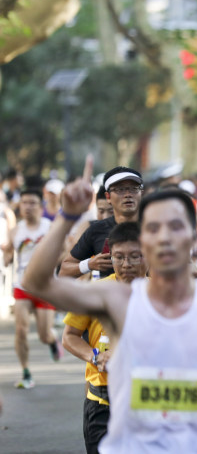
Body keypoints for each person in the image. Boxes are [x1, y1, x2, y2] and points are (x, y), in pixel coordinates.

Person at [22, 161, 197, 453]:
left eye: (175, 226)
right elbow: (36, 282)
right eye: (153, 228)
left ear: (193, 237)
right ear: (144, 241)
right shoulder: (116, 299)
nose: (164, 236)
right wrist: (67, 216)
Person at [62, 222, 147, 453]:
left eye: (135, 256)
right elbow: (69, 337)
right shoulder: (94, 292)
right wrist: (96, 356)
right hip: (102, 400)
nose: (126, 264)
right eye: (119, 257)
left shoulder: (165, 295)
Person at [3, 188, 62, 389]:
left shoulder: (50, 227)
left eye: (32, 203)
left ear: (40, 206)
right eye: (24, 203)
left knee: (44, 336)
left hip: (45, 287)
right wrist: (6, 257)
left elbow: (65, 250)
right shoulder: (15, 231)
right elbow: (8, 255)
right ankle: (26, 372)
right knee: (21, 330)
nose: (28, 207)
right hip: (22, 286)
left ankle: (53, 340)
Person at [59, 167, 144, 279]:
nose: (128, 194)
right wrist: (89, 264)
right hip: (106, 289)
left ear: (141, 193)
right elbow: (64, 271)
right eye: (120, 189)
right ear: (108, 197)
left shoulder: (155, 227)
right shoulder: (97, 229)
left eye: (134, 189)